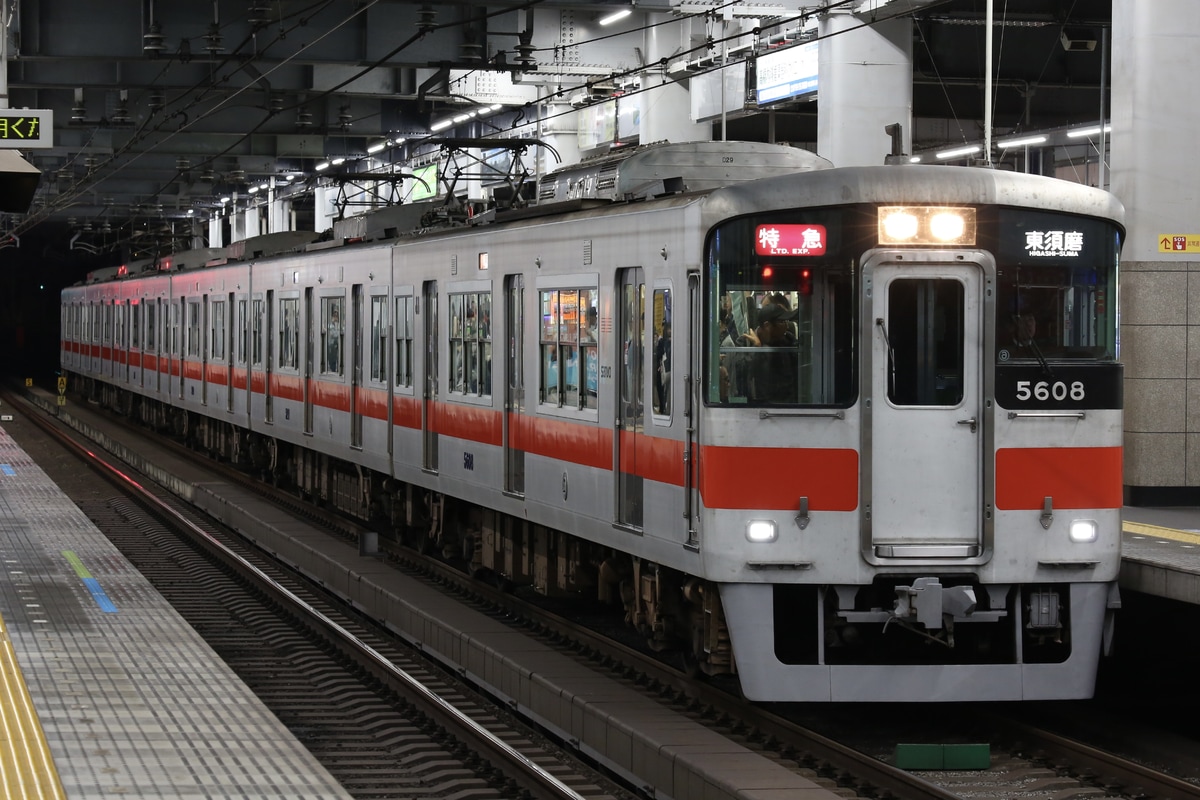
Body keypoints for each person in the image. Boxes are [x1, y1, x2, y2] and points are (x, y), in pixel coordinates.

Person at [739, 302, 797, 402]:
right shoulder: (745, 343)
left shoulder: (788, 341)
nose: (787, 326)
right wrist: (757, 350)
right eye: (782, 322)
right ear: (767, 325)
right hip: (756, 407)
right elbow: (742, 375)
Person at [653, 320, 671, 413]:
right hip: (664, 368)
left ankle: (663, 407)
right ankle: (663, 407)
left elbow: (660, 354)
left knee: (663, 389)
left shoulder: (663, 341)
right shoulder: (665, 341)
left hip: (665, 369)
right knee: (663, 390)